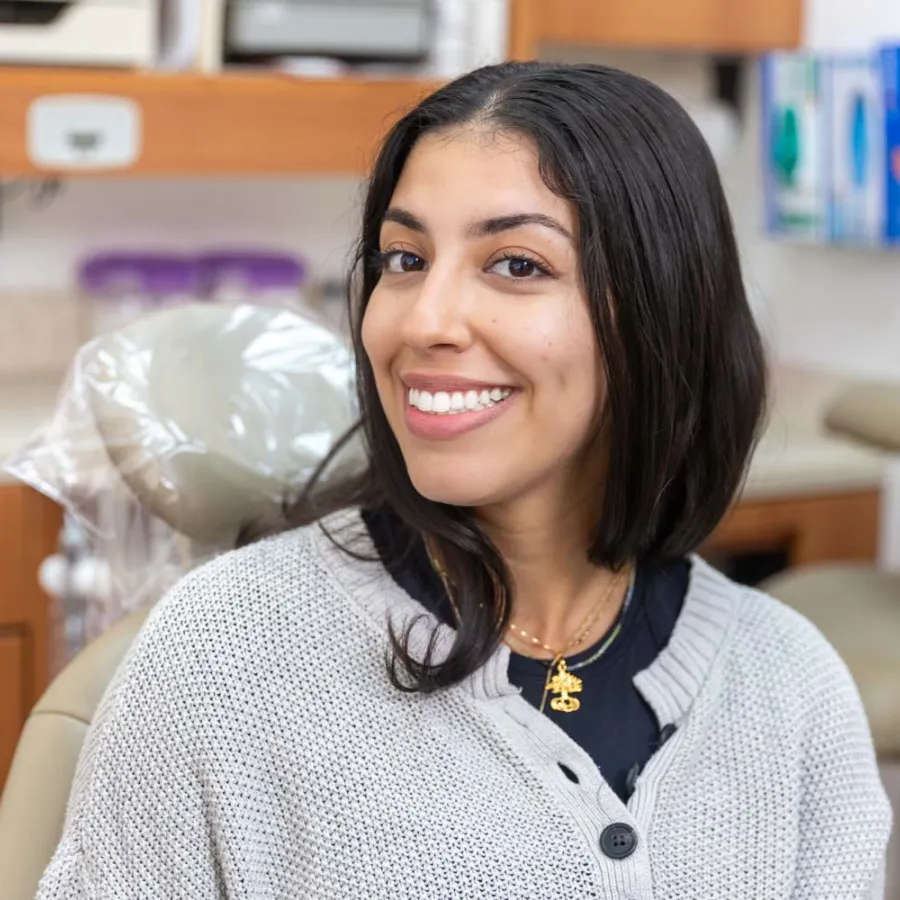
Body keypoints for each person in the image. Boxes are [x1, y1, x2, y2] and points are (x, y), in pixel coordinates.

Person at [37, 62, 891, 899]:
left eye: (516, 264)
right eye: (403, 259)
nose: (425, 321)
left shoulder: (790, 688)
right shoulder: (224, 658)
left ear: (663, 309)